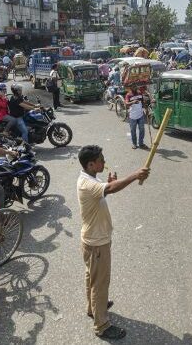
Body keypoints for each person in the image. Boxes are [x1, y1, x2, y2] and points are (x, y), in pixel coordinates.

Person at [76, 145, 149, 340]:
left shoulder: (88, 177)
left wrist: (108, 186)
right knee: (100, 285)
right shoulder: (87, 184)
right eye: (101, 160)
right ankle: (101, 325)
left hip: (91, 240)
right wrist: (135, 175)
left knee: (91, 277)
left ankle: (92, 309)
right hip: (97, 243)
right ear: (91, 164)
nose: (104, 162)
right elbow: (109, 189)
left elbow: (106, 190)